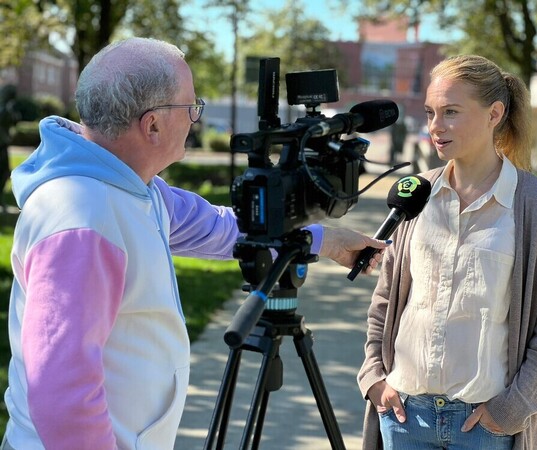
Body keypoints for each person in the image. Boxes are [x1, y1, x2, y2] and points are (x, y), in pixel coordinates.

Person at [1, 37, 388, 450]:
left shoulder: (133, 186)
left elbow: (222, 229)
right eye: (191, 108)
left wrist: (325, 240)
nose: (195, 119)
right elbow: (62, 393)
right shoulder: (82, 216)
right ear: (152, 125)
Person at [358, 54, 537, 450]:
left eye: (451, 112)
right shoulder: (416, 195)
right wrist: (374, 378)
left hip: (484, 425)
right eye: (430, 113)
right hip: (405, 416)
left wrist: (512, 410)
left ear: (495, 113)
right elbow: (385, 303)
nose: (435, 127)